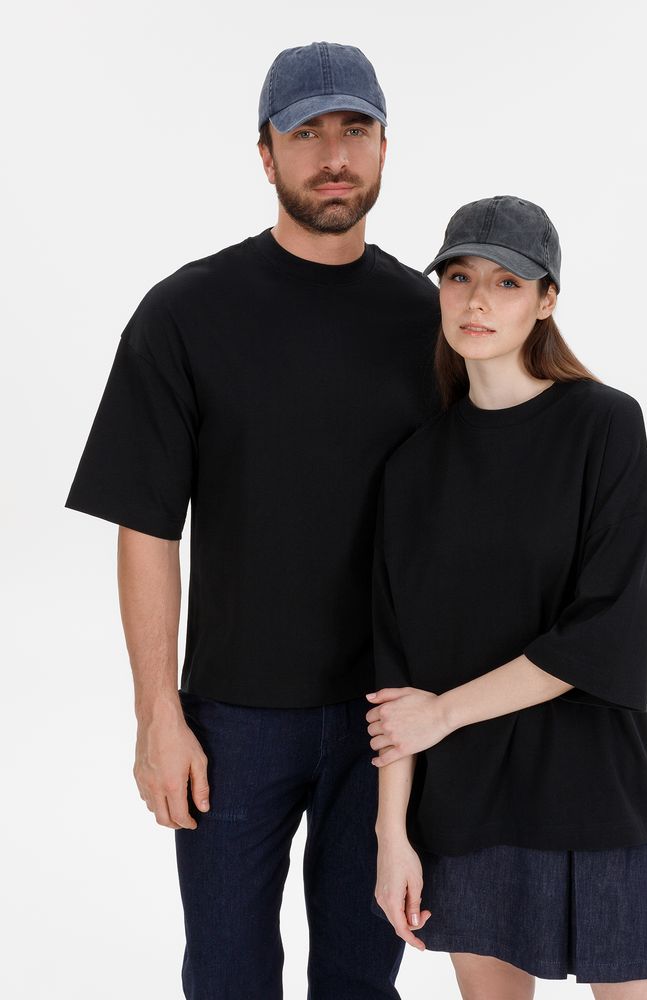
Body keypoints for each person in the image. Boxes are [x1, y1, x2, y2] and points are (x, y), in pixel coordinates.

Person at [64, 41, 439, 1000]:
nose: (334, 156)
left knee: (362, 982)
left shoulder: (434, 322)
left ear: (386, 146)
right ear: (265, 154)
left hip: (387, 719)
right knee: (227, 978)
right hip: (232, 721)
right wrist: (158, 713)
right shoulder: (186, 314)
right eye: (306, 133)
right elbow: (146, 525)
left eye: (354, 130)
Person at [366, 195, 647, 998]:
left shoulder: (604, 425)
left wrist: (446, 713)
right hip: (465, 806)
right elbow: (394, 671)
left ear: (546, 301)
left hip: (596, 791)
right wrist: (391, 834)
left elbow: (616, 627)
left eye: (507, 282)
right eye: (459, 277)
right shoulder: (413, 467)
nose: (477, 300)